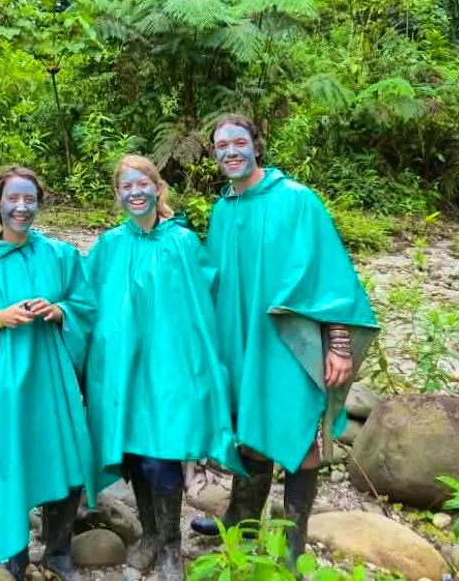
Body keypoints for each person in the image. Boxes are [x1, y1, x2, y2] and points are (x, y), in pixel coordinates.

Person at [189, 115, 379, 564]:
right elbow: (215, 282)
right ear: (214, 153)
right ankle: (243, 522)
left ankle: (293, 546)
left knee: (300, 436)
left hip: (290, 342)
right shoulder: (223, 209)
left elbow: (328, 275)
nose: (230, 151)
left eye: (239, 142)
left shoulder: (297, 200)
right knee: (250, 430)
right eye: (221, 145)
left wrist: (337, 344)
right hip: (241, 341)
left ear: (257, 145)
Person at [85, 155, 244, 581]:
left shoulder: (182, 242)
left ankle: (171, 544)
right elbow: (86, 304)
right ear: (117, 195)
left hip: (171, 368)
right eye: (126, 187)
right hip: (123, 369)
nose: (135, 192)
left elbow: (206, 302)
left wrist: (204, 366)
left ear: (158, 188)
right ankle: (150, 535)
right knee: (134, 453)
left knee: (163, 455)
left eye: (143, 184)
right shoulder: (109, 246)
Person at [0, 166, 97, 581]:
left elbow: (84, 305)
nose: (21, 207)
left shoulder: (61, 255)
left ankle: (58, 548)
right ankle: (13, 551)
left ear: (39, 203)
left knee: (68, 455)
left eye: (29, 199)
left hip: (52, 376)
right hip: (4, 380)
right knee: (9, 460)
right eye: (12, 199)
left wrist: (60, 311)